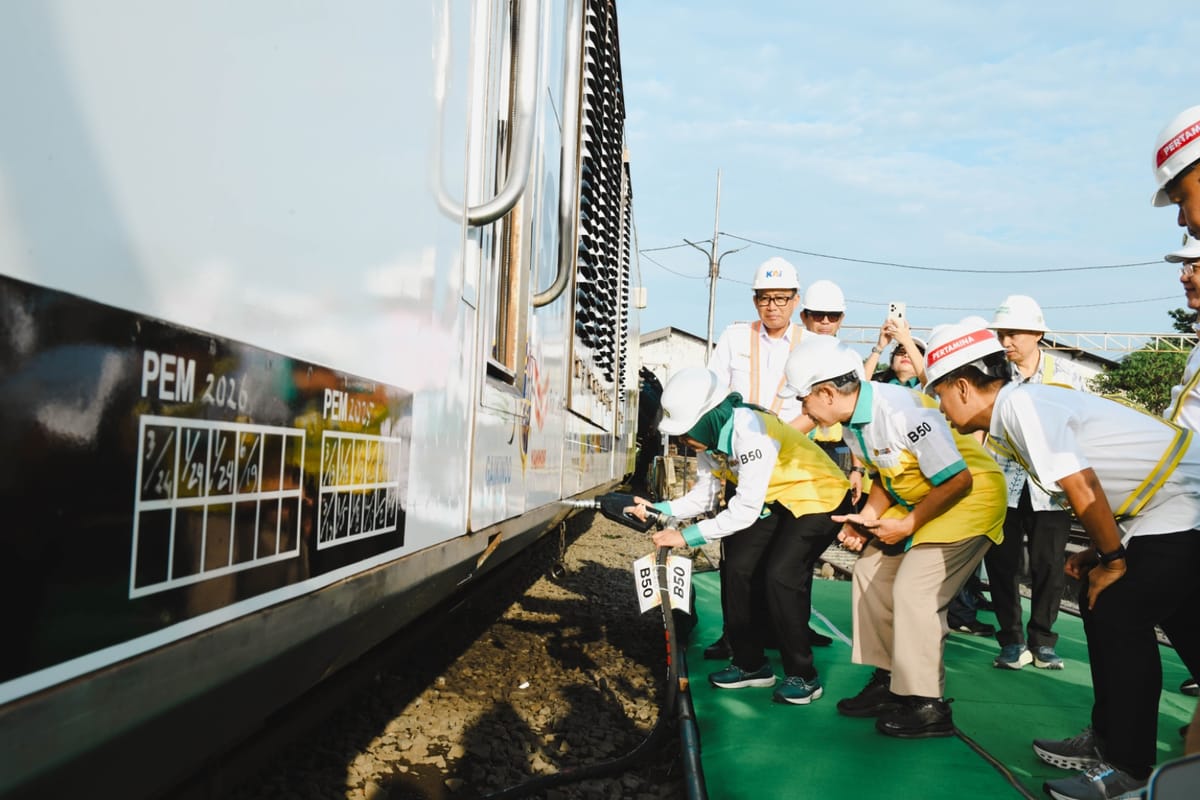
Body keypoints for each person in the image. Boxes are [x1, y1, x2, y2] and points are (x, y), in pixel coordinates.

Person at [923, 317, 1200, 800]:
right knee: (1140, 610)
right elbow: (1111, 481)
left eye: (939, 395)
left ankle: (1127, 766)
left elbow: (1081, 483)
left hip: (1183, 498)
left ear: (963, 387)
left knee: (1118, 610)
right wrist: (1103, 550)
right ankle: (1109, 739)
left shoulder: (1022, 407)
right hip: (1164, 502)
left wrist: (1114, 559)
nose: (941, 410)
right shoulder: (1020, 406)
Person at [782, 334, 1006, 738]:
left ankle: (926, 703)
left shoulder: (902, 413)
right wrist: (866, 517)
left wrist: (907, 524)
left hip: (971, 498)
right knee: (870, 571)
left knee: (915, 590)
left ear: (827, 393)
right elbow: (888, 476)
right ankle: (890, 680)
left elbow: (958, 480)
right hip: (925, 497)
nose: (803, 410)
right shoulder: (854, 424)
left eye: (803, 399)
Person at [629, 367, 853, 705]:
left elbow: (744, 511)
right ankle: (751, 664)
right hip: (775, 500)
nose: (682, 441)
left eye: (686, 432)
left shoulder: (751, 432)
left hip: (819, 497)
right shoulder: (708, 442)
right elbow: (704, 497)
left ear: (708, 417)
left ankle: (803, 675)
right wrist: (658, 509)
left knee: (781, 574)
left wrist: (686, 537)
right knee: (737, 566)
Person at [704, 257, 834, 660]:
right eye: (764, 298)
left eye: (780, 298)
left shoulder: (812, 344)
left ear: (795, 300)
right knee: (738, 559)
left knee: (785, 562)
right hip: (743, 463)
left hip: (791, 467)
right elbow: (714, 391)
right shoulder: (735, 338)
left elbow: (817, 407)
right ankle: (736, 635)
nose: (772, 306)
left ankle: (785, 631)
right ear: (754, 299)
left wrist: (780, 440)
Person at [981, 294, 1086, 671]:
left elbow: (1083, 427)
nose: (1006, 341)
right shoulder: (992, 375)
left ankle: (1042, 640)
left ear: (1038, 334)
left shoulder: (1069, 377)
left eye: (1014, 334)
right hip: (1002, 485)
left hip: (1050, 490)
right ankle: (1012, 641)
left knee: (1049, 566)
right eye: (1002, 334)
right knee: (1001, 564)